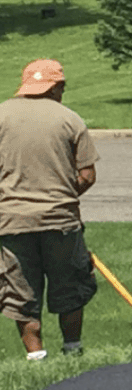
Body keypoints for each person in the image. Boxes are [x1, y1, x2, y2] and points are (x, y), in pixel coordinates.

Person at [0, 58, 99, 362]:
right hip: (61, 222)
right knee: (69, 287)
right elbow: (87, 175)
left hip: (11, 223)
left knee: (21, 294)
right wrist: (66, 193)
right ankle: (72, 349)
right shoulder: (70, 119)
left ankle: (36, 359)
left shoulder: (1, 115)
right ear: (57, 87)